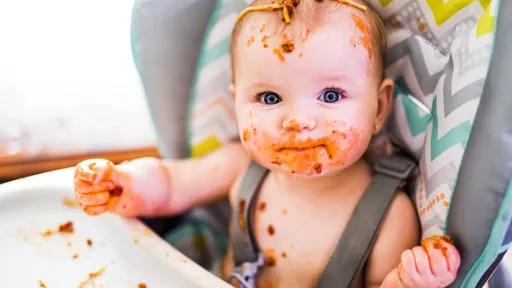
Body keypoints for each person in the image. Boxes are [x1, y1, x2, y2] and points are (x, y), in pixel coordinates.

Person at [73, 0, 461, 287]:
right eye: (270, 99)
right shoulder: (240, 165)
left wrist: (412, 281)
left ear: (378, 108)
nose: (297, 122)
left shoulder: (389, 214)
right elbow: (170, 184)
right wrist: (125, 185)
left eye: (330, 96)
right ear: (236, 104)